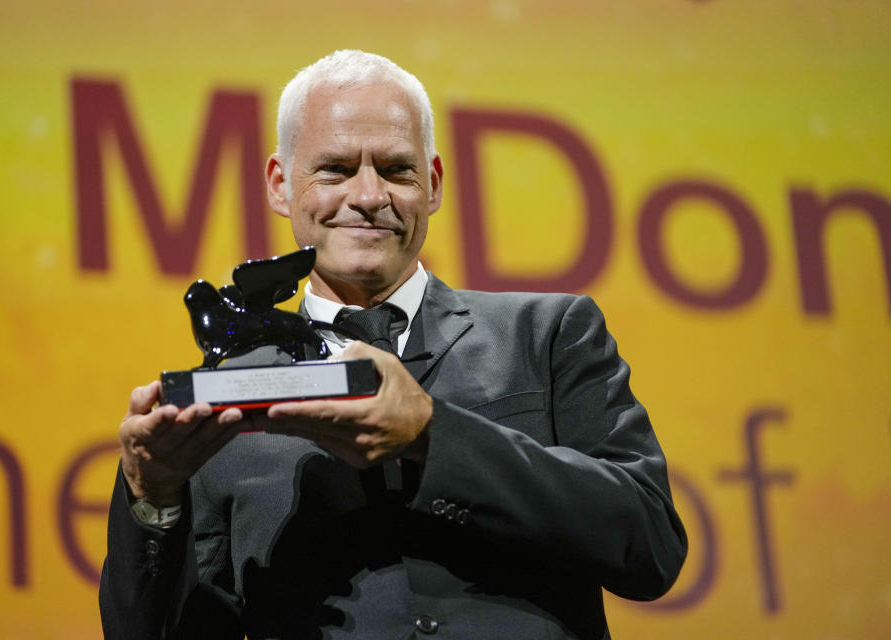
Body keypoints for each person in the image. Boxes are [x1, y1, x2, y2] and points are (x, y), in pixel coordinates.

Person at [99, 50, 687, 640]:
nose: (368, 194)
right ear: (281, 185)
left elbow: (652, 547)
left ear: (431, 184)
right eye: (334, 169)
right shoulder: (226, 405)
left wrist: (433, 435)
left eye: (396, 169)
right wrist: (154, 501)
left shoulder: (548, 332)